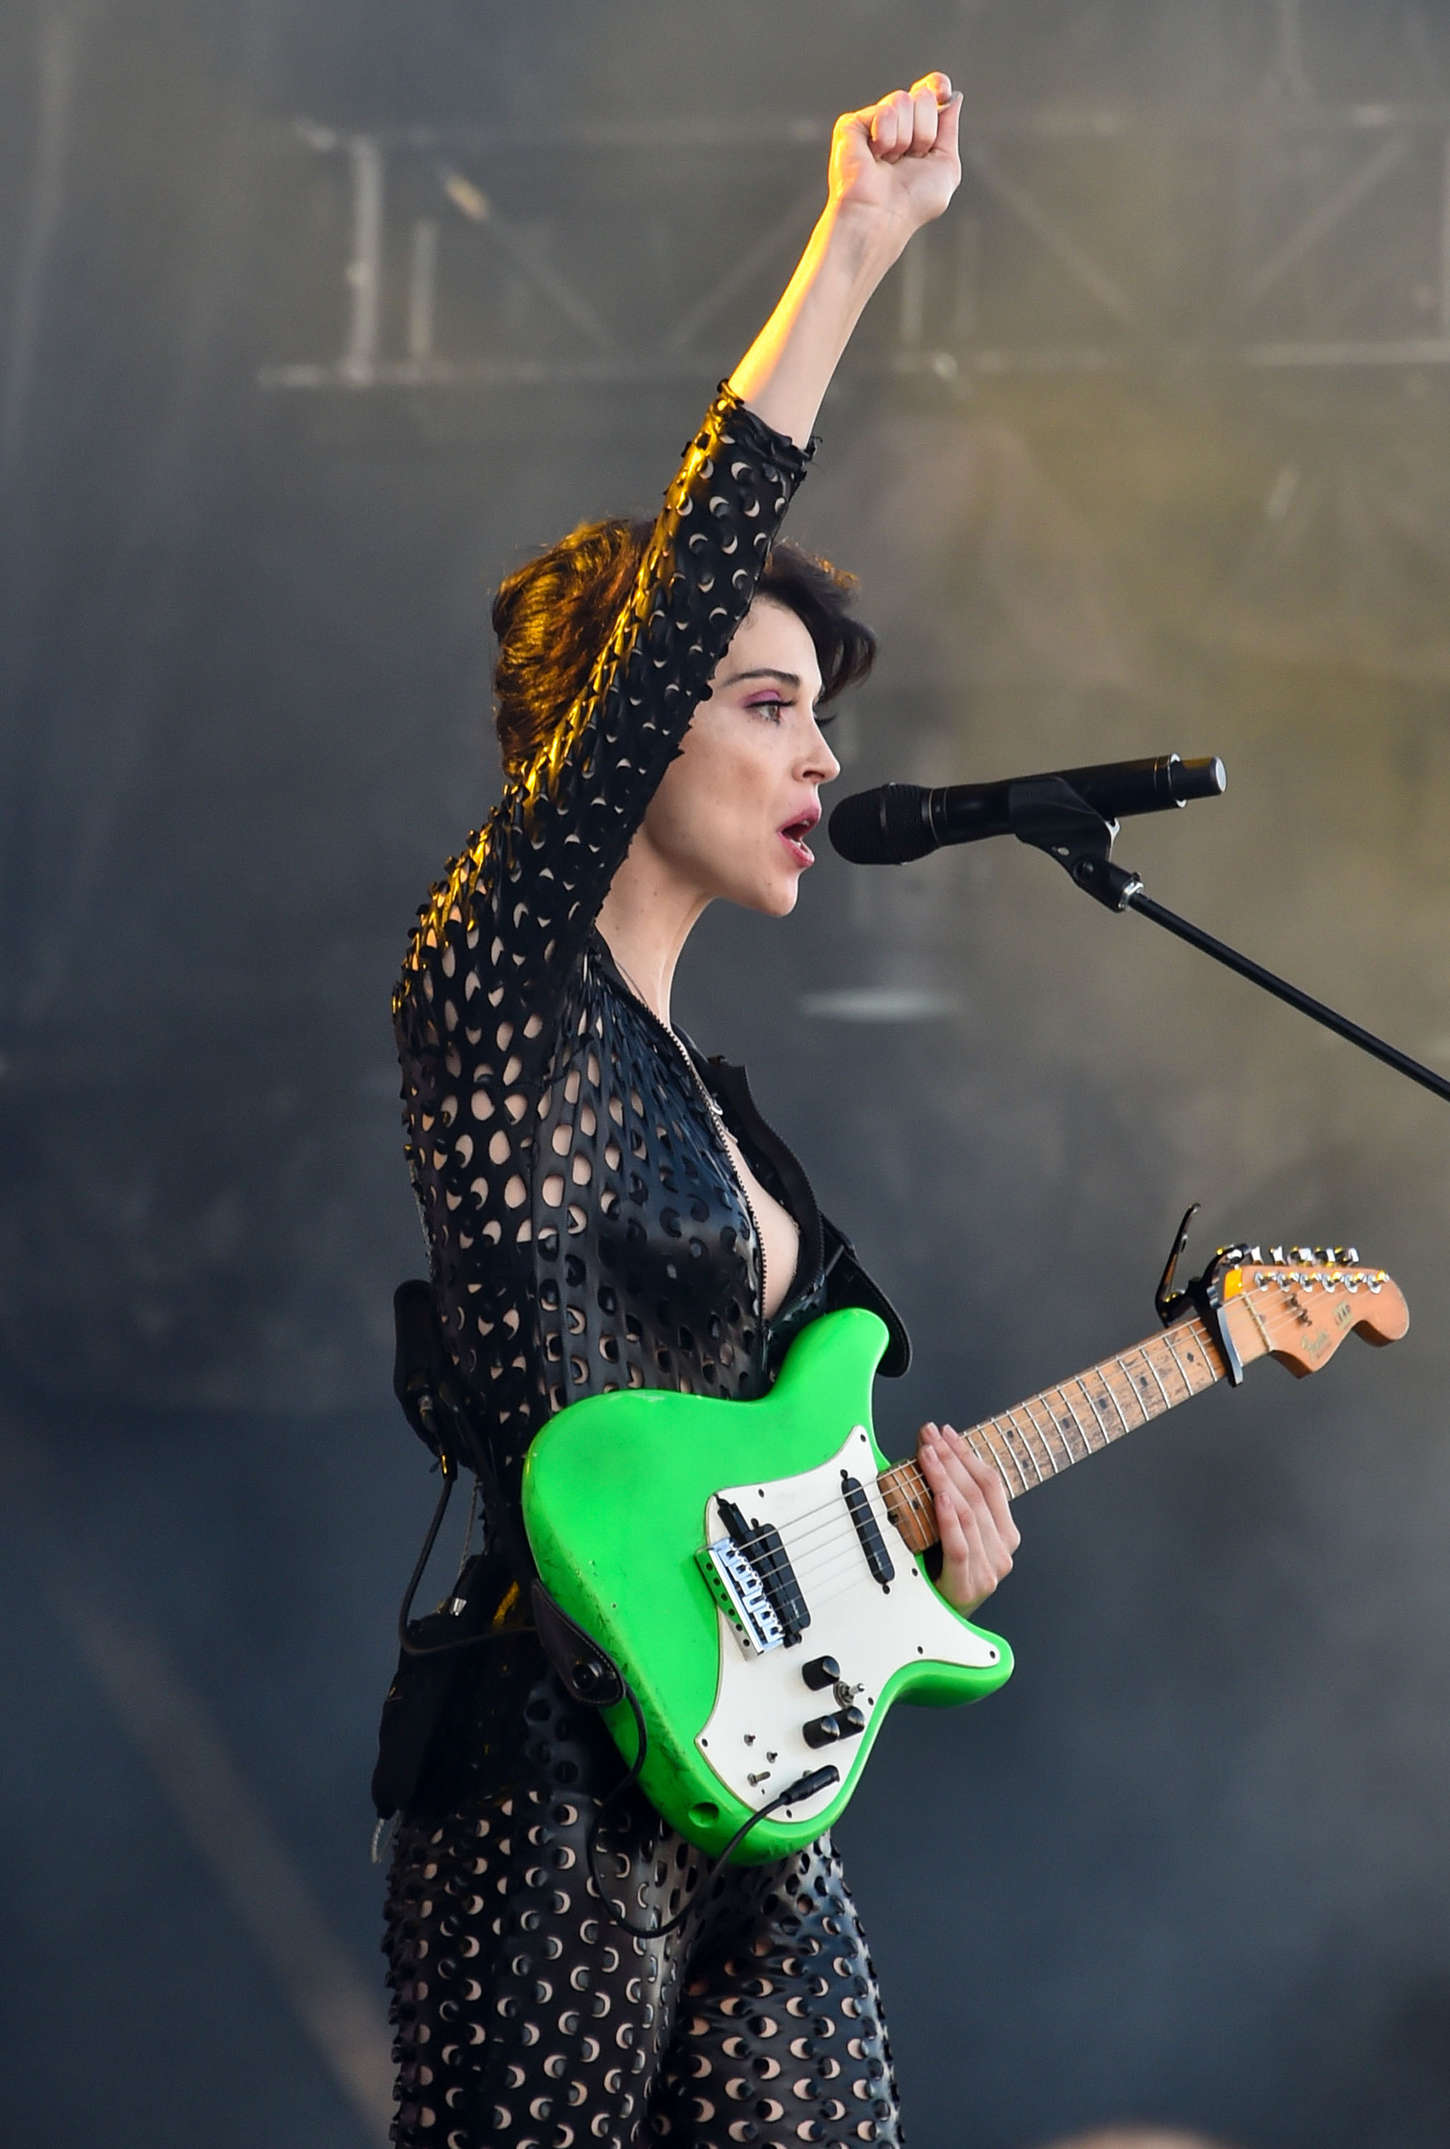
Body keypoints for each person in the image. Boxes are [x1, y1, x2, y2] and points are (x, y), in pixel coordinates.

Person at [380, 72, 1021, 2149]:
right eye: (763, 703)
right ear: (621, 727)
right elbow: (682, 597)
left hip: (757, 1784)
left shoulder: (732, 1121)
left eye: (821, 716)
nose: (814, 752)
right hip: (554, 1757)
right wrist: (855, 242)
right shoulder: (493, 989)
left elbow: (770, 1488)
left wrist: (924, 1555)